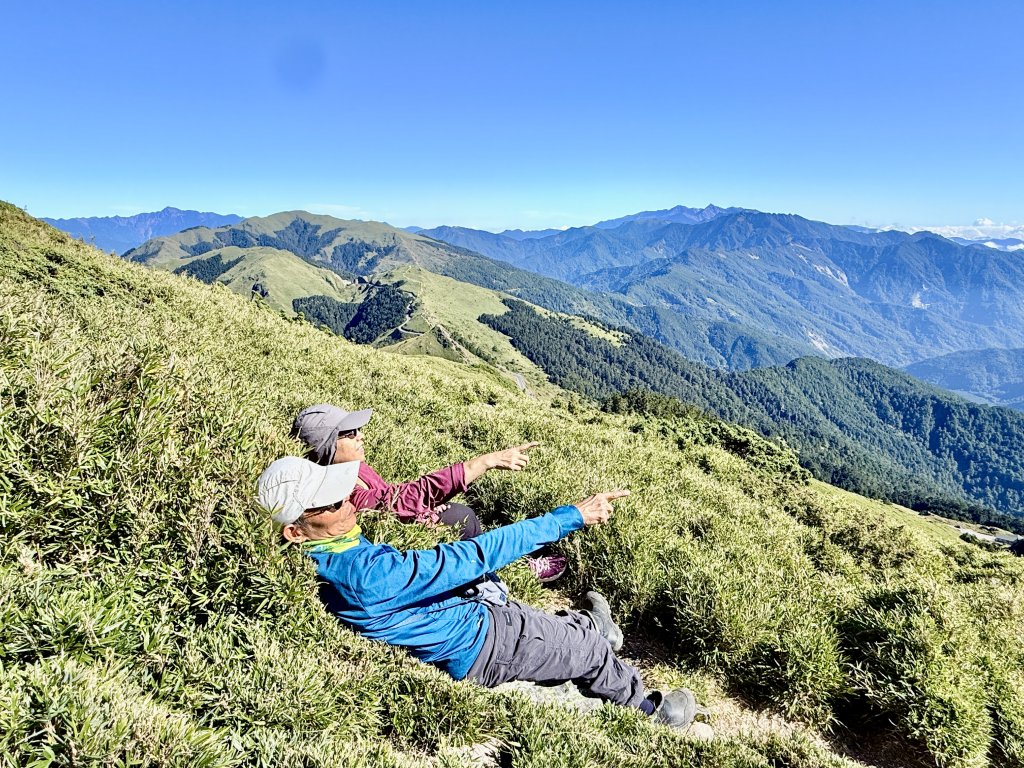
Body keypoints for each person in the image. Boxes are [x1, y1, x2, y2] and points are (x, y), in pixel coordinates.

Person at [256, 455, 709, 731]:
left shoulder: (327, 552)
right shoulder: (364, 575)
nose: (349, 501)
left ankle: (591, 628)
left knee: (545, 623)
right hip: (484, 645)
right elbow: (475, 556)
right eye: (333, 502)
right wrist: (570, 516)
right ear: (296, 530)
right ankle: (651, 709)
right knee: (584, 651)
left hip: (472, 623)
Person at [290, 403, 567, 582]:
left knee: (463, 516)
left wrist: (425, 511)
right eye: (349, 433)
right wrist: (485, 461)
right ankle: (509, 575)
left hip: (412, 526)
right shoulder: (338, 493)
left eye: (358, 429)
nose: (361, 435)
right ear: (326, 447)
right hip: (405, 552)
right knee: (464, 522)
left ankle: (500, 568)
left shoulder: (354, 467)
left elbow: (394, 500)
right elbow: (401, 499)